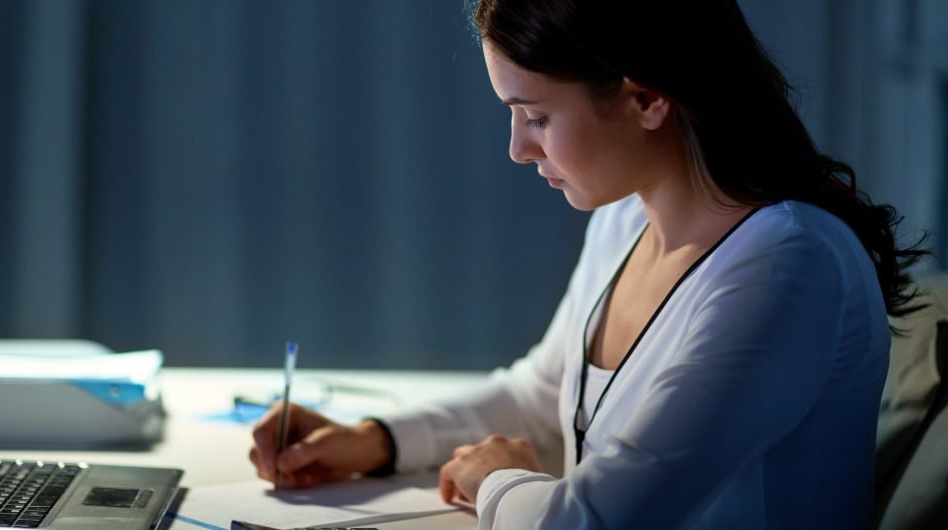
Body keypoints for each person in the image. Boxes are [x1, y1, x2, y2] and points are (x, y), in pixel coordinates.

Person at [248, 0, 928, 528]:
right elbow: (541, 398)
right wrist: (375, 440)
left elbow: (590, 523)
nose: (518, 148)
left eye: (536, 116)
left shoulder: (789, 266)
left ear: (646, 98)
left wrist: (497, 480)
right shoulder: (628, 217)